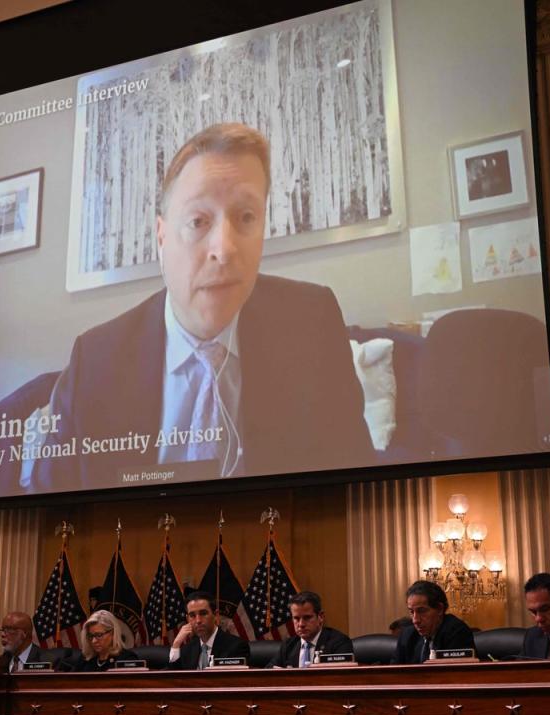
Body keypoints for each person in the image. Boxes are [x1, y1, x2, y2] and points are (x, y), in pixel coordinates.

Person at [31, 123, 373, 493]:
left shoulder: (312, 323)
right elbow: (53, 510)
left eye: (246, 217)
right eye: (198, 221)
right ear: (161, 237)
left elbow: (353, 482)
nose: (224, 249)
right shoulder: (95, 360)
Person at [392, 581, 474, 664]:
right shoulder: (407, 635)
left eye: (422, 611)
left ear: (439, 609)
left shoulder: (457, 632)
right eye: (411, 612)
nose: (415, 620)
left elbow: (456, 674)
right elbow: (393, 673)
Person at [267, 591, 353, 668]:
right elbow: (267, 674)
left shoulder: (339, 643)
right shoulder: (288, 645)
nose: (301, 624)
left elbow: (341, 679)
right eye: (296, 618)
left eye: (307, 618)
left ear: (321, 617)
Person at [168, 591, 250, 670]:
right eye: (192, 615)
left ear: (216, 615)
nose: (198, 620)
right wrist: (176, 644)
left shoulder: (236, 647)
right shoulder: (187, 650)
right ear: (187, 619)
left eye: (203, 613)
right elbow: (172, 678)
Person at [61, 610, 138, 672]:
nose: (94, 641)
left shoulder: (127, 659)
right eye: (91, 636)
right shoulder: (86, 659)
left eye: (99, 635)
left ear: (113, 633)